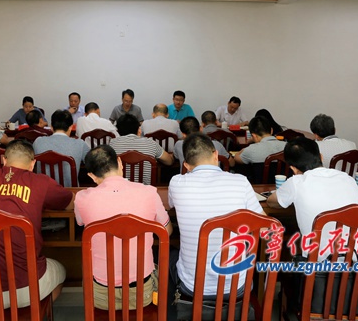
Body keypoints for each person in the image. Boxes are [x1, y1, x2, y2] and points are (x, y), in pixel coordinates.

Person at [0, 140, 73, 309]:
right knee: (62, 269)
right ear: (33, 164)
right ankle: (33, 313)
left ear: (4, 160)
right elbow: (69, 203)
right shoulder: (41, 182)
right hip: (26, 287)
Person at [74, 145, 172, 310]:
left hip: (101, 294)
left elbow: (80, 222)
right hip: (141, 291)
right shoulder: (149, 193)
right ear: (120, 162)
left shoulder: (81, 198)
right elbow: (166, 232)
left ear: (91, 175)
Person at [168, 133, 263, 297]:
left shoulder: (176, 182)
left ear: (186, 165)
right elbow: (264, 226)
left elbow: (171, 206)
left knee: (169, 255)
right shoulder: (241, 181)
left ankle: (176, 304)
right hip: (237, 286)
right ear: (216, 155)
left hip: (192, 287)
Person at [266, 137, 358, 260]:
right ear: (321, 157)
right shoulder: (348, 179)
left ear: (293, 169)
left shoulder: (296, 182)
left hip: (318, 266)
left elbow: (271, 202)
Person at [109, 114, 174, 184]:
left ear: (118, 131)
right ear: (138, 129)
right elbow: (169, 161)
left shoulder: (112, 144)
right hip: (146, 189)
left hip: (120, 189)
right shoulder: (151, 143)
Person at [33, 110, 90, 187]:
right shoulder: (80, 144)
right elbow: (92, 164)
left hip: (43, 191)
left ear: (51, 127)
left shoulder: (38, 142)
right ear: (71, 127)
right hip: (70, 192)